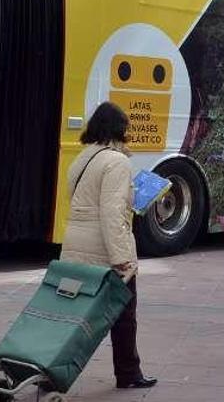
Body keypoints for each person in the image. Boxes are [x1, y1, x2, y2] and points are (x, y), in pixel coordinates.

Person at [59, 102, 157, 390]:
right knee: (125, 316)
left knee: (73, 315)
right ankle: (129, 374)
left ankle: (51, 365)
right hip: (104, 251)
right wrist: (122, 259)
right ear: (118, 129)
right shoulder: (116, 162)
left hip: (75, 246)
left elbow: (80, 201)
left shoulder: (82, 158)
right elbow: (112, 213)